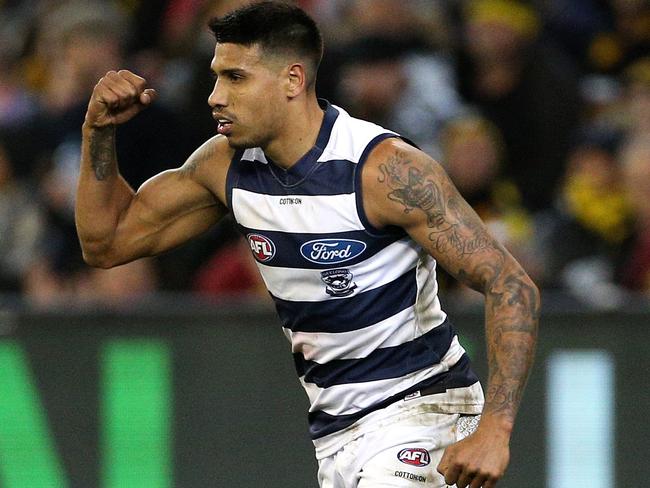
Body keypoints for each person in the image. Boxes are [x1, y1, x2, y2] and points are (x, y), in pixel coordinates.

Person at [75, 2, 539, 487]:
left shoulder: (382, 170)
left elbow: (511, 284)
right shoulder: (226, 166)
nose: (215, 96)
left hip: (425, 409)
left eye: (235, 78)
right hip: (336, 433)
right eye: (216, 77)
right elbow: (106, 243)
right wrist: (98, 132)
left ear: (293, 80)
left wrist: (496, 430)